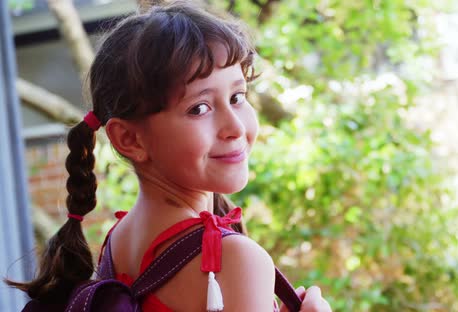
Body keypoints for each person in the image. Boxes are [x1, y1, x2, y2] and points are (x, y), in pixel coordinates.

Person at [6, 1, 331, 311]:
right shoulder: (234, 260)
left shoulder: (118, 241)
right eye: (199, 108)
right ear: (130, 139)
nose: (233, 127)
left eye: (237, 96)